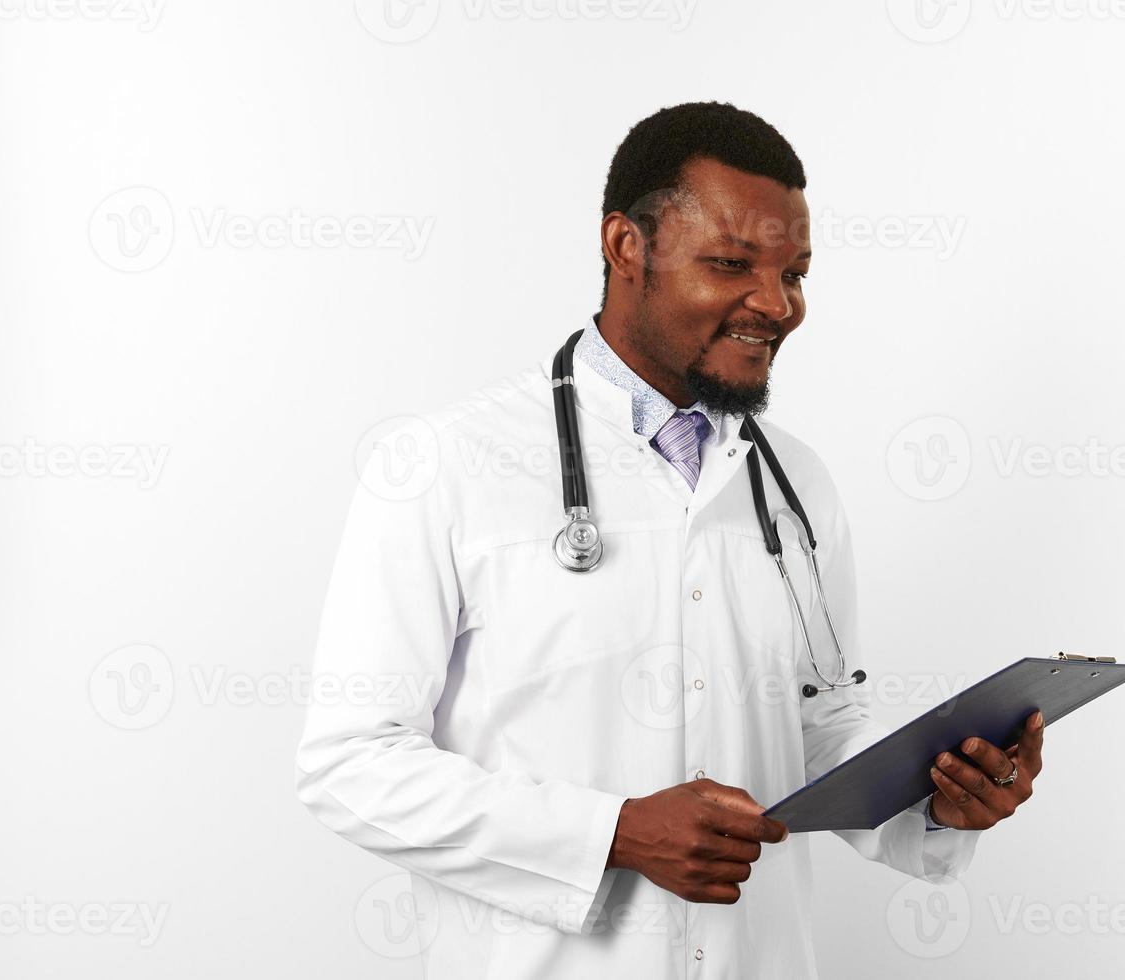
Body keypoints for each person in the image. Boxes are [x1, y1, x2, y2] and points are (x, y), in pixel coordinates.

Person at [296, 100, 1044, 979]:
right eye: (733, 264)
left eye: (795, 274)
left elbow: (818, 719)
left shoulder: (796, 484)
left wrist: (936, 798)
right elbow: (350, 763)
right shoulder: (442, 465)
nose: (777, 305)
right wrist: (612, 834)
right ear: (626, 247)